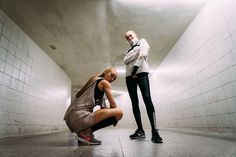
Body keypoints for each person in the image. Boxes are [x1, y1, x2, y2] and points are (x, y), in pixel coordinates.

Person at [64, 67, 123, 145]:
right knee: (119, 112)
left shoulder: (94, 81)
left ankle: (84, 134)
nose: (112, 79)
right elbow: (113, 105)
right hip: (79, 117)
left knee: (116, 113)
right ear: (105, 71)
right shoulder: (104, 82)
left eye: (114, 79)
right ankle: (86, 133)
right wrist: (115, 118)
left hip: (73, 119)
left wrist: (112, 116)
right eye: (111, 75)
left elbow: (104, 109)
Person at [123, 30, 163, 143]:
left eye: (130, 35)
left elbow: (143, 53)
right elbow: (125, 60)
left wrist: (134, 69)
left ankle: (154, 131)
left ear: (135, 35)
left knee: (147, 98)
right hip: (129, 77)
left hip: (140, 73)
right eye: (127, 37)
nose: (129, 38)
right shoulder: (128, 50)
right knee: (134, 102)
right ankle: (140, 130)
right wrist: (135, 54)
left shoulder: (142, 41)